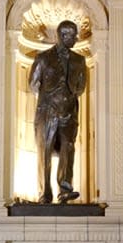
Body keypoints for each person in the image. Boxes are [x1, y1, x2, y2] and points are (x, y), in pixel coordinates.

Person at [29, 20, 87, 203]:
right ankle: (44, 193)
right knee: (44, 151)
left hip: (69, 113)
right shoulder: (43, 58)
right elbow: (33, 84)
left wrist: (67, 99)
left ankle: (65, 189)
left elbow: (81, 86)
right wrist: (50, 99)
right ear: (63, 36)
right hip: (47, 112)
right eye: (73, 35)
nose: (77, 38)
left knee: (68, 150)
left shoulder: (80, 60)